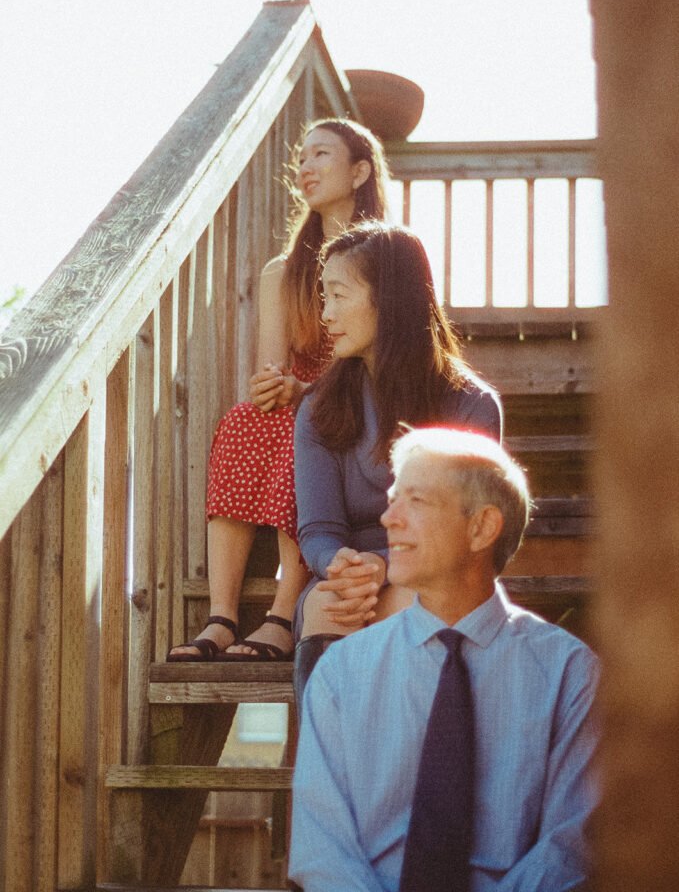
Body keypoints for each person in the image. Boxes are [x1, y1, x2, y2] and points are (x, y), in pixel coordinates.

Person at [289, 427, 600, 892]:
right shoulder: (340, 673)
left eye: (415, 500)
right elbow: (321, 853)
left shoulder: (569, 674)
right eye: (393, 499)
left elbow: (570, 850)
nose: (388, 518)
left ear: (481, 527)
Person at [167, 118, 389, 662]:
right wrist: (272, 385)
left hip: (364, 402)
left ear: (360, 170)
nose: (306, 168)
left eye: (322, 156)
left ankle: (283, 614)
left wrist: (305, 390)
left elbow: (391, 361)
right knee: (245, 420)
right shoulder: (281, 272)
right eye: (302, 159)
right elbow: (272, 366)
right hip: (301, 401)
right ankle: (221, 616)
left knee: (306, 422)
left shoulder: (389, 259)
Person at [291, 221, 503, 692]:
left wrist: (386, 566)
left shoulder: (469, 403)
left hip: (437, 568)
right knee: (327, 604)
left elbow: (461, 530)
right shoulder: (319, 407)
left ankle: (413, 763)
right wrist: (342, 566)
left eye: (339, 295)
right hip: (349, 573)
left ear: (387, 298)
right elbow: (319, 529)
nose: (326, 314)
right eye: (324, 297)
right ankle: (328, 767)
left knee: (412, 600)